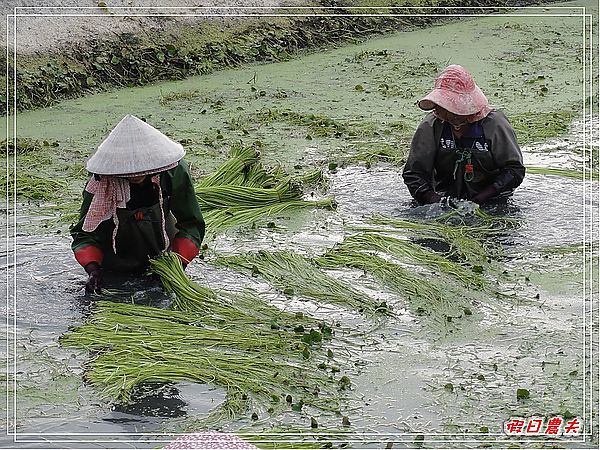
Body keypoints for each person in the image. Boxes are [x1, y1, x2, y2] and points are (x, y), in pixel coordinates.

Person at [70, 114, 205, 294]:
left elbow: (191, 223)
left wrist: (176, 264)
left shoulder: (173, 171)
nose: (135, 174)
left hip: (162, 250)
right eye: (128, 170)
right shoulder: (101, 180)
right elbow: (85, 233)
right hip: (114, 256)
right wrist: (93, 269)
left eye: (142, 168)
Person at [402, 64, 525, 205]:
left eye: (442, 104)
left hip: (493, 201)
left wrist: (483, 197)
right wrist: (435, 201)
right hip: (443, 200)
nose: (436, 108)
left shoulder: (494, 125)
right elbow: (413, 174)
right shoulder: (432, 125)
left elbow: (514, 170)